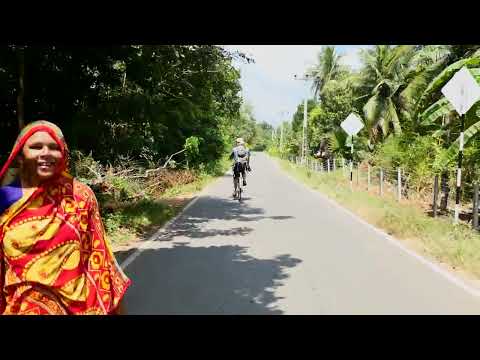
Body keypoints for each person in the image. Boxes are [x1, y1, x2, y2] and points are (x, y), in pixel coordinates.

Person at [0, 120, 131, 315]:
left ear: (63, 154)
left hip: (79, 306)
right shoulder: (4, 200)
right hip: (22, 307)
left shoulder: (79, 196)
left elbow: (99, 260)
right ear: (19, 156)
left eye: (54, 148)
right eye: (36, 147)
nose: (46, 153)